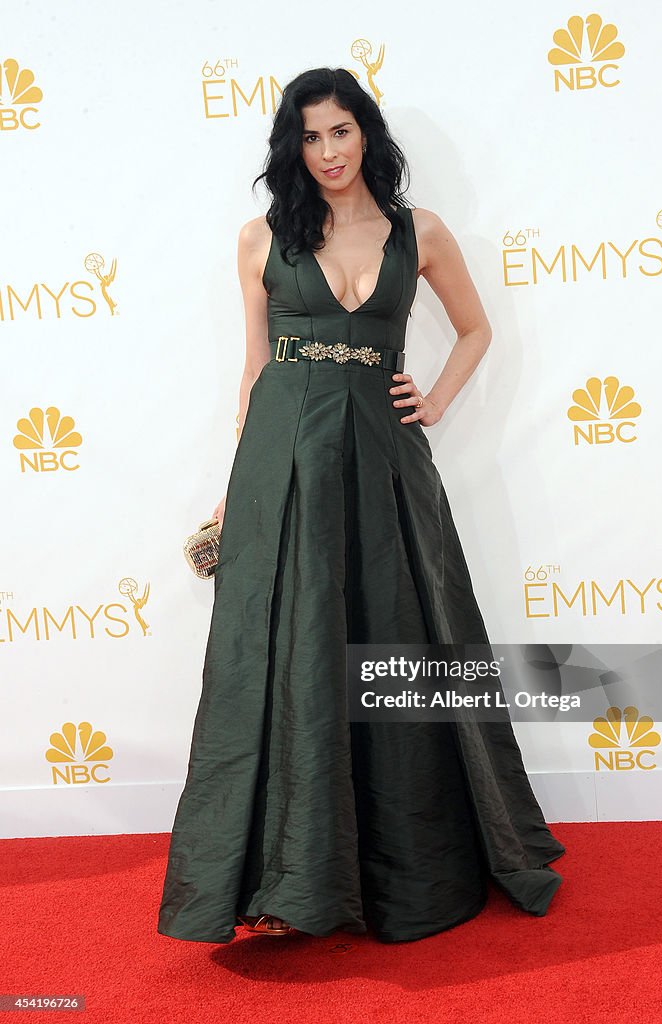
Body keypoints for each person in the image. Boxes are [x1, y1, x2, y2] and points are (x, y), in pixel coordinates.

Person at [157, 67, 565, 945]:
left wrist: (439, 398)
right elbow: (256, 370)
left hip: (385, 463)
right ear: (291, 148)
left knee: (399, 635)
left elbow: (477, 327)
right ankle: (281, 874)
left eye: (340, 132)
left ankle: (406, 861)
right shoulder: (261, 238)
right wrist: (235, 495)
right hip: (285, 466)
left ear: (366, 135)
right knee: (283, 653)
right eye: (310, 137)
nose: (328, 152)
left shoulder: (421, 233)